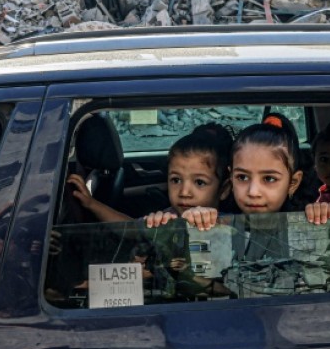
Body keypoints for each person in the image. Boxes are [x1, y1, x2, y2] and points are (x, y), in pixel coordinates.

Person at [65, 123, 235, 298]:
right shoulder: (169, 216)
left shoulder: (228, 229)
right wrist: (92, 204)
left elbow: (225, 288)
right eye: (176, 180)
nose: (184, 192)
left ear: (223, 190)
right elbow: (131, 228)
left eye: (199, 182)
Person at [147, 113, 330, 262]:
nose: (253, 192)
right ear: (230, 178)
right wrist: (188, 225)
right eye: (242, 177)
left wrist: (322, 214)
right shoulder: (218, 222)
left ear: (293, 183)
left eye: (269, 179)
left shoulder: (304, 220)